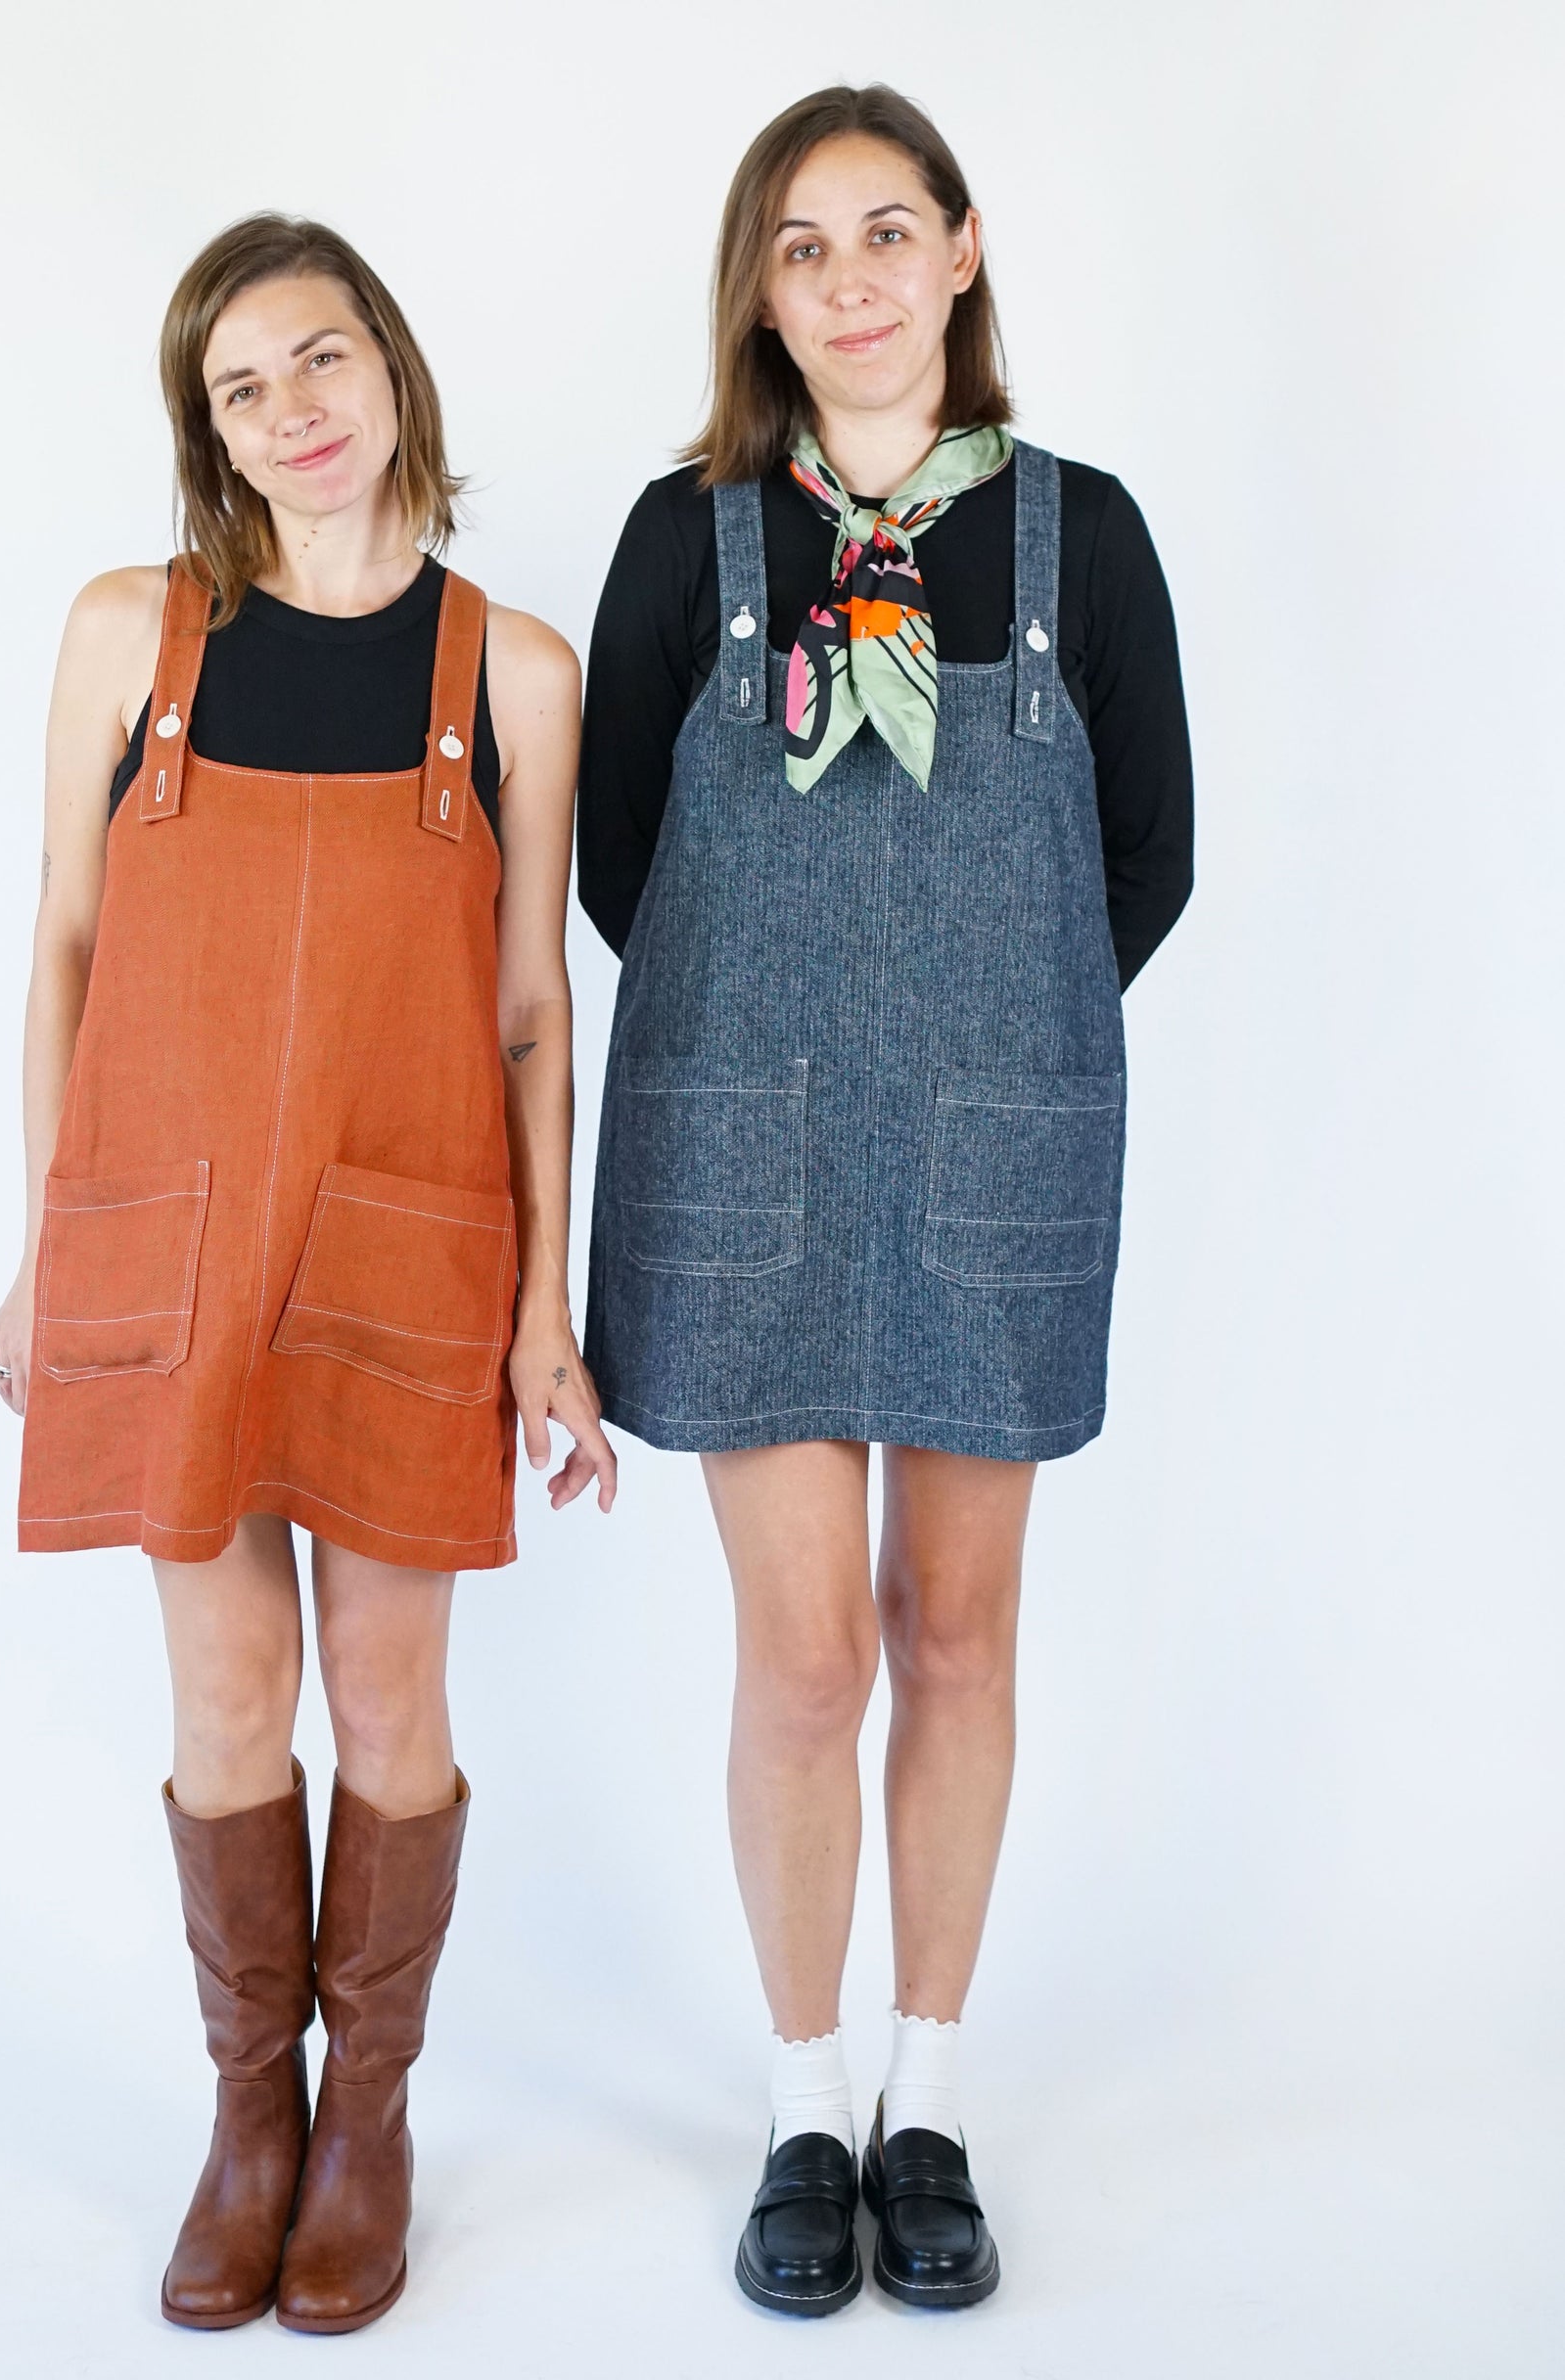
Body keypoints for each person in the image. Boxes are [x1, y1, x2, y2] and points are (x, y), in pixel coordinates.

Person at [577, 86, 1192, 2315]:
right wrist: (796, 1038)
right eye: (800, 245)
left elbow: (1151, 855)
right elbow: (618, 863)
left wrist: (983, 1033)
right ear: (762, 290)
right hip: (744, 1132)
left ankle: (926, 2090)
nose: (846, 279)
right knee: (805, 1654)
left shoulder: (1076, 537)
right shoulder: (690, 540)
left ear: (957, 258)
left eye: (885, 231)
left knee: (955, 1631)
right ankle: (800, 2104)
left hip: (995, 1139)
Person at [0, 211, 615, 2334]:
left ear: (393, 363)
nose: (294, 414)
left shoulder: (508, 670)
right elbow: (64, 949)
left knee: (391, 1698)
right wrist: (48, 1242)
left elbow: (534, 1015)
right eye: (241, 390)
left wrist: (547, 1311)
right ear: (208, 431)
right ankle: (255, 2114)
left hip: (414, 1245)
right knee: (227, 1693)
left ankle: (373, 2125)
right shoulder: (127, 637)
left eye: (320, 360)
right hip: (168, 1240)